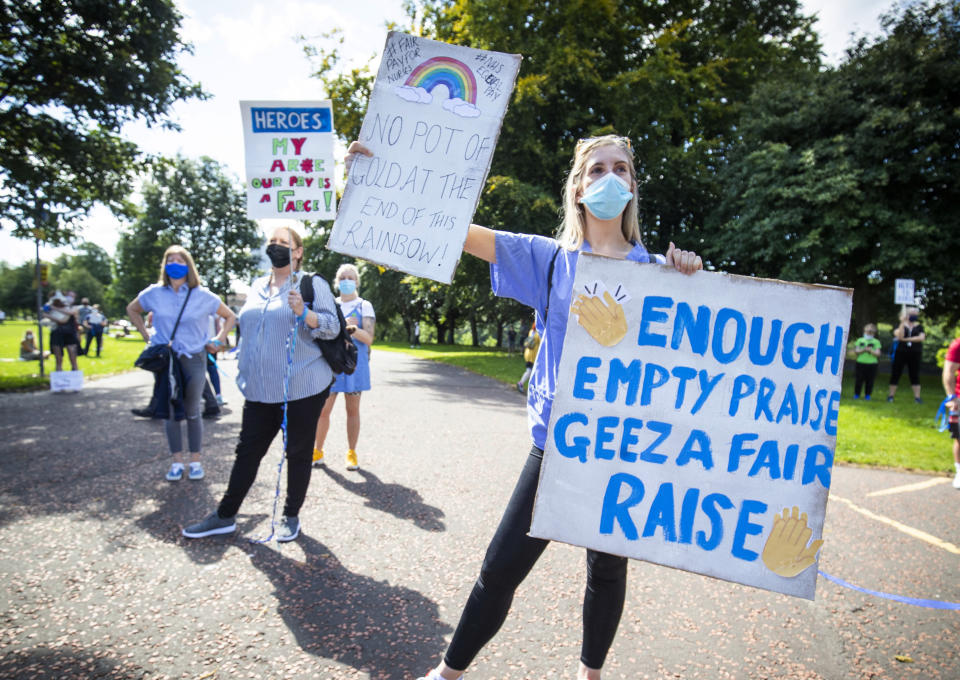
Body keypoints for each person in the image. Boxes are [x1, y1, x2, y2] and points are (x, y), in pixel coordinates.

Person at [346, 134, 702, 680]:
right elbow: (454, 233)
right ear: (579, 188)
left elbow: (697, 352)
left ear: (632, 186)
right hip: (556, 446)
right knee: (500, 569)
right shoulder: (551, 260)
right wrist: (378, 178)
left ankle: (590, 675)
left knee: (606, 573)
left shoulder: (658, 270)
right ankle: (448, 674)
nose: (610, 178)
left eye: (621, 169)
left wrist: (691, 276)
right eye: (597, 169)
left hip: (621, 452)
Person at [182, 226, 340, 542]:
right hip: (259, 388)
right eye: (272, 242)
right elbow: (253, 333)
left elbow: (332, 327)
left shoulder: (312, 283)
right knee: (247, 452)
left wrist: (304, 312)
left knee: (297, 453)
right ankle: (225, 515)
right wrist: (223, 346)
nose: (276, 247)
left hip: (302, 387)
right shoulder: (255, 286)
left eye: (284, 243)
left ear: (297, 252)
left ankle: (290, 516)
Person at [126, 246, 236, 482]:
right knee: (169, 410)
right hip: (167, 360)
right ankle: (176, 462)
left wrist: (218, 339)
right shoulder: (154, 293)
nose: (175, 263)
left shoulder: (203, 295)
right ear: (164, 265)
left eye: (180, 260)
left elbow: (230, 317)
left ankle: (195, 460)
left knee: (193, 410)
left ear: (189, 265)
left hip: (194, 357)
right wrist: (147, 335)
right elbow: (132, 309)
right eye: (170, 260)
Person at [312, 262, 376, 471]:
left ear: (356, 281)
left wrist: (352, 328)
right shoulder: (330, 304)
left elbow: (368, 338)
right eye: (342, 278)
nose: (346, 281)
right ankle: (318, 450)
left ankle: (351, 452)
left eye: (350, 278)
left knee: (352, 411)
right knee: (323, 410)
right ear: (336, 282)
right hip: (331, 365)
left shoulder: (364, 305)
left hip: (353, 366)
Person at [887, 305, 925, 403]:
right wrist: (902, 323)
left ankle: (917, 397)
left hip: (915, 353)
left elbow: (921, 338)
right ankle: (891, 396)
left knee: (914, 374)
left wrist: (906, 339)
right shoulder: (899, 325)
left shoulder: (919, 327)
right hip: (901, 353)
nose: (914, 316)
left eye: (915, 314)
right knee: (896, 373)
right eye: (912, 314)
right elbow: (899, 335)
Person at [43, 294, 80, 371]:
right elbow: (44, 313)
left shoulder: (73, 308)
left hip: (69, 333)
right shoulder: (51, 307)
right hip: (57, 333)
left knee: (72, 355)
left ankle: (75, 374)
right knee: (58, 357)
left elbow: (64, 319)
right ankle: (59, 376)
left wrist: (51, 312)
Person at [943, 337, 960, 489]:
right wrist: (952, 397)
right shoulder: (958, 345)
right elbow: (949, 371)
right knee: (959, 438)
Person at [852, 323, 881, 400]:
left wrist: (871, 351)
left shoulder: (876, 342)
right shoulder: (860, 340)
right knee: (859, 379)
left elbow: (878, 353)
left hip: (872, 364)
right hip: (860, 362)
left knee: (870, 380)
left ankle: (868, 395)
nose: (869, 334)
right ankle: (856, 394)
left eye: (871, 332)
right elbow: (856, 351)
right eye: (867, 332)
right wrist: (864, 350)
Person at [515, 320, 540, 394]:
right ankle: (521, 383)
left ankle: (529, 386)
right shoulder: (539, 333)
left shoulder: (531, 331)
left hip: (528, 354)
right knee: (531, 371)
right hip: (533, 355)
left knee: (531, 371)